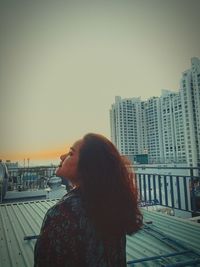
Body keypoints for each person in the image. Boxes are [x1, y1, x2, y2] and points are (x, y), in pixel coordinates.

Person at [34, 133, 142, 267]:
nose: (62, 157)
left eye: (71, 153)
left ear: (88, 167)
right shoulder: (109, 206)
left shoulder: (63, 213)